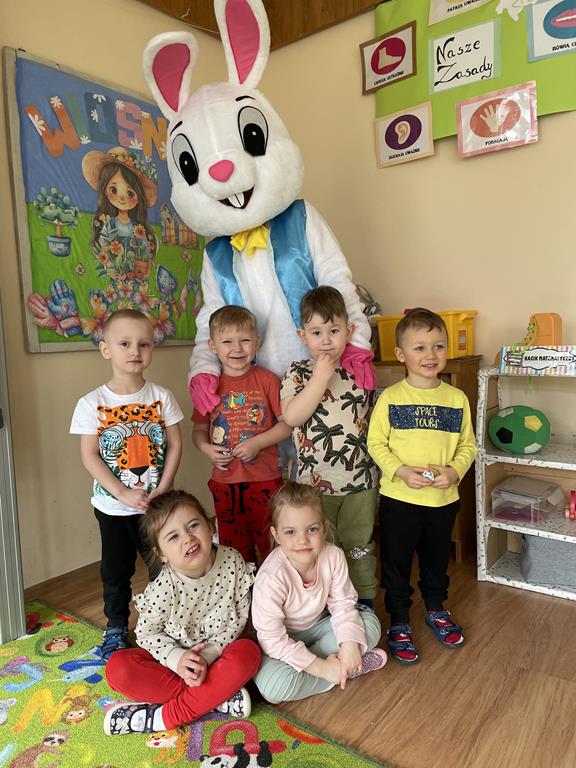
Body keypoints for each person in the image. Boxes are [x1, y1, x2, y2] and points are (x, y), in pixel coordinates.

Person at [70, 309, 183, 660]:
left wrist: (164, 487)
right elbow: (90, 455)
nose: (135, 350)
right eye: (125, 343)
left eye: (144, 344)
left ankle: (164, 622)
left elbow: (175, 444)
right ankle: (116, 626)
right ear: (105, 349)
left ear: (152, 349)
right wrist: (121, 492)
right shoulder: (92, 403)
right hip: (112, 507)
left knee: (163, 565)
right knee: (116, 570)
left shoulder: (162, 396)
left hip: (155, 505)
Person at [367, 308, 477, 665]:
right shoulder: (391, 397)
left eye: (438, 346)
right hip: (399, 500)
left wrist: (454, 472)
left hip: (442, 501)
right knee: (396, 564)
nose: (431, 355)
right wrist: (399, 471)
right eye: (420, 348)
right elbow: (376, 443)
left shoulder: (456, 398)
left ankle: (435, 608)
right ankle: (399, 620)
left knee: (435, 561)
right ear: (401, 354)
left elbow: (468, 446)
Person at [103, 490, 260, 735]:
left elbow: (239, 616)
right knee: (118, 668)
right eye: (173, 536)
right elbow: (146, 634)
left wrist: (208, 654)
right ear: (161, 554)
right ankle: (216, 698)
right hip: (173, 668)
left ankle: (163, 718)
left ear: (210, 526)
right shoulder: (163, 588)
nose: (187, 538)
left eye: (193, 525)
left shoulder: (232, 561)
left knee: (248, 653)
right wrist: (177, 659)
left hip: (217, 659)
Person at [280, 286, 379, 606]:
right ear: (302, 335)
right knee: (319, 548)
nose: (325, 340)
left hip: (360, 481)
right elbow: (292, 417)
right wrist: (320, 377)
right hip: (314, 485)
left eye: (334, 331)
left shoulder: (359, 370)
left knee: (358, 545)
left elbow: (372, 419)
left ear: (348, 332)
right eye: (316, 332)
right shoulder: (297, 372)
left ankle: (364, 604)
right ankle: (324, 605)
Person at [251, 482, 386, 704]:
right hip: (283, 641)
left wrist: (349, 643)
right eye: (290, 532)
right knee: (272, 688)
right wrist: (320, 667)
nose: (302, 540)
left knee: (370, 625)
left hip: (320, 627)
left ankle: (339, 664)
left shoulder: (333, 556)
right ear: (276, 535)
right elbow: (272, 639)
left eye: (312, 529)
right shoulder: (271, 577)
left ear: (324, 528)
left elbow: (343, 604)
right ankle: (344, 670)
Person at [192, 306, 291, 563]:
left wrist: (258, 443)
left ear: (257, 342)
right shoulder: (207, 386)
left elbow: (287, 425)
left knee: (272, 543)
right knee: (233, 551)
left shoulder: (268, 380)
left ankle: (272, 586)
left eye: (245, 340)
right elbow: (199, 430)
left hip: (265, 480)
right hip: (225, 482)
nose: (237, 348)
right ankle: (242, 588)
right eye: (227, 342)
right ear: (213, 346)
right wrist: (206, 449)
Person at [82, 146, 158, 281]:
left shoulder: (138, 229)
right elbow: (103, 245)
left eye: (130, 193)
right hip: (115, 276)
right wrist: (111, 266)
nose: (122, 198)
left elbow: (144, 249)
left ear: (138, 197)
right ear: (105, 191)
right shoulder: (109, 223)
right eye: (113, 190)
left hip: (136, 278)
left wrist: (143, 266)